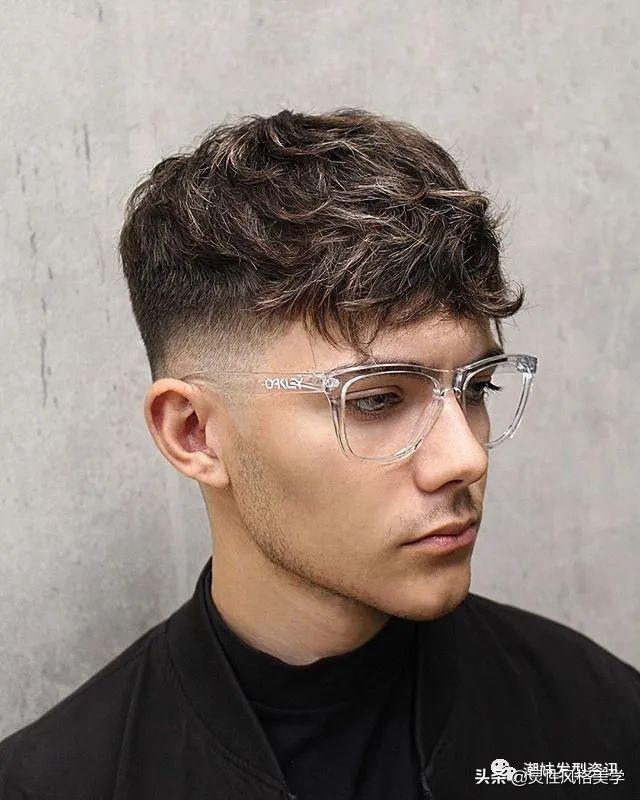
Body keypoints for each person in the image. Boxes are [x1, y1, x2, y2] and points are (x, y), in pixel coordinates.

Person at [1, 108, 638, 800]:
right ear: (194, 433)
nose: (466, 458)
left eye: (477, 387)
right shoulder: (57, 783)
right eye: (377, 400)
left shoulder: (601, 723)